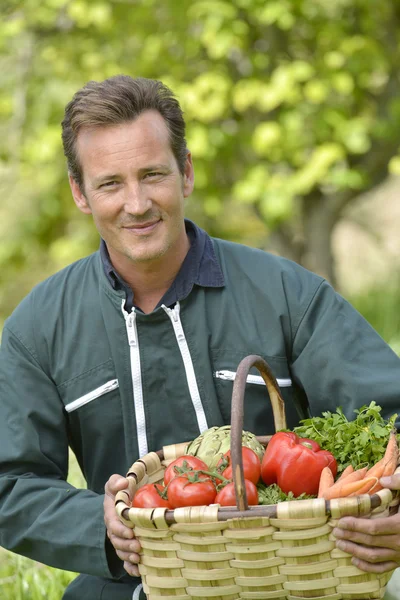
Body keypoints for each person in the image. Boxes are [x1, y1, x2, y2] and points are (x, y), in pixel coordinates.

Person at [0, 75, 400, 600]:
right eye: (110, 183)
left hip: (299, 570)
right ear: (80, 193)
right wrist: (99, 526)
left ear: (185, 173)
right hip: (133, 581)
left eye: (153, 174)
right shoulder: (38, 327)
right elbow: (10, 482)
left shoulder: (285, 293)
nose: (137, 203)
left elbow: (390, 412)